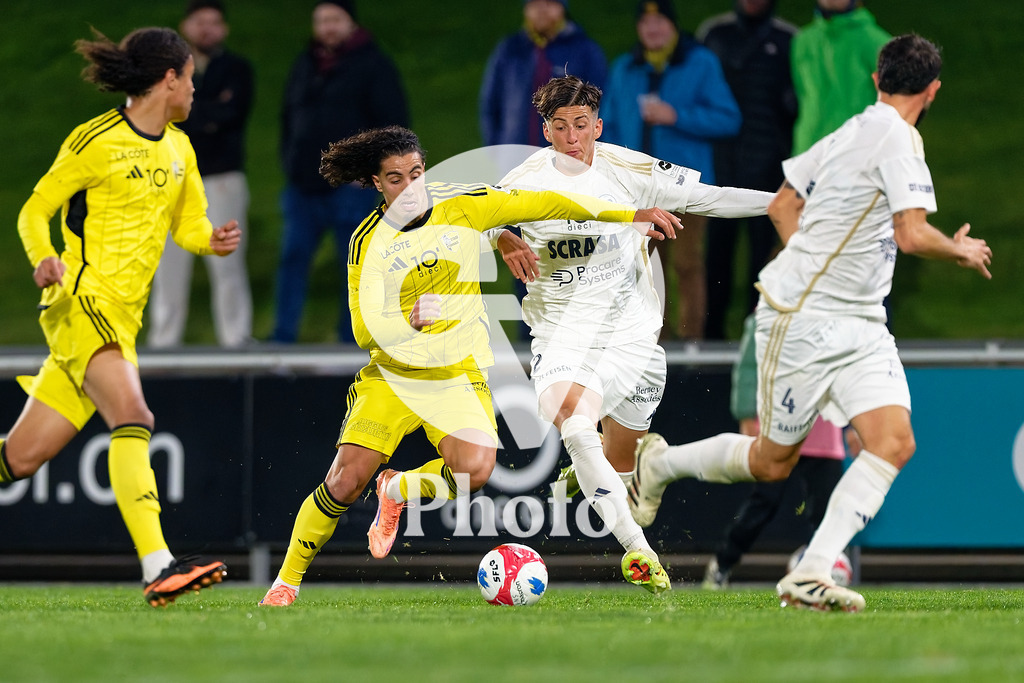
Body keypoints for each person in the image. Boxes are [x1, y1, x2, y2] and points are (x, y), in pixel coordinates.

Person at [631, 35, 994, 612]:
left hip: (862, 321)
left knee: (893, 442)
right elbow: (910, 233)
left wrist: (816, 259)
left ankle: (812, 571)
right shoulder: (899, 140)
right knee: (771, 460)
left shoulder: (849, 130)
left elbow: (783, 205)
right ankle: (658, 464)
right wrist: (959, 249)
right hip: (804, 320)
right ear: (933, 90)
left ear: (876, 79)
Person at [259, 125, 681, 606]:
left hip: (456, 375)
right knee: (344, 482)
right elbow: (361, 329)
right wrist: (406, 322)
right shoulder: (367, 242)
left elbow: (547, 203)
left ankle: (397, 488)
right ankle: (285, 583)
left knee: (475, 471)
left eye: (416, 173)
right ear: (377, 183)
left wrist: (629, 214)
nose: (410, 186)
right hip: (394, 377)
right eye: (395, 178)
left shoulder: (463, 205)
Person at [489, 75, 773, 596]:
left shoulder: (629, 169)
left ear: (598, 126)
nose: (572, 137)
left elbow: (710, 198)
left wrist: (784, 203)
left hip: (633, 339)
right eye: (560, 126)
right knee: (575, 422)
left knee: (619, 470)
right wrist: (505, 236)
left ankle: (624, 466)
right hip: (561, 335)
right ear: (545, 131)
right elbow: (471, 216)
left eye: (581, 125)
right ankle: (640, 552)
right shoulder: (523, 181)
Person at [5, 26, 239, 607]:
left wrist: (211, 240)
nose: (194, 90)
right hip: (82, 303)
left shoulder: (180, 149)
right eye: (190, 79)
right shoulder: (96, 141)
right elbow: (34, 210)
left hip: (122, 321)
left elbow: (187, 223)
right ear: (169, 79)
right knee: (134, 415)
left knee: (20, 459)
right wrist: (43, 258)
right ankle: (159, 566)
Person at [601, 0, 741, 340]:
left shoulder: (700, 62)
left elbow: (728, 119)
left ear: (673, 26)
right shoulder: (625, 68)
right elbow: (609, 125)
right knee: (645, 266)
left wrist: (676, 116)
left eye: (660, 21)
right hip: (639, 189)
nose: (653, 29)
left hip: (686, 186)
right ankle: (652, 343)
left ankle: (691, 345)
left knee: (687, 263)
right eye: (646, 22)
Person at [271, 0, 409, 343]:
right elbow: (288, 118)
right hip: (303, 186)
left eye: (334, 19)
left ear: (350, 23)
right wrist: (290, 163)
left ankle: (352, 341)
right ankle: (282, 339)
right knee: (292, 259)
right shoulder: (305, 63)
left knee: (354, 266)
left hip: (350, 188)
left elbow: (393, 126)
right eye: (321, 20)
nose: (327, 27)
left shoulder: (374, 65)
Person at [701, 312, 851, 589]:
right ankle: (722, 564)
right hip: (779, 427)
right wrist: (747, 413)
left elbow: (848, 371)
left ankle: (820, 574)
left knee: (829, 511)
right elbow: (749, 367)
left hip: (823, 428)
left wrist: (854, 423)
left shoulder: (836, 313)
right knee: (764, 502)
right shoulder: (769, 312)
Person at [148, 0, 255, 348]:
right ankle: (164, 343)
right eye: (199, 22)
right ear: (186, 26)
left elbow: (231, 114)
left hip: (222, 178)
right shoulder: (166, 72)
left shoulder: (238, 68)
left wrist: (191, 113)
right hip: (172, 178)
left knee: (227, 262)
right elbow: (160, 115)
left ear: (224, 28)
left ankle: (236, 340)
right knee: (168, 266)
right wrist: (210, 113)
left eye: (213, 22)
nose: (206, 29)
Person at [696, 0, 798, 340]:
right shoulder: (714, 34)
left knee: (764, 262)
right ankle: (710, 342)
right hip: (720, 171)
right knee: (716, 259)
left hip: (769, 171)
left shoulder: (789, 40)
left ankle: (758, 340)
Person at [480, 0, 606, 148]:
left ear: (562, 7)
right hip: (515, 153)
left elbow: (601, 105)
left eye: (549, 3)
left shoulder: (584, 51)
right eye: (535, 3)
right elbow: (490, 104)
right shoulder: (510, 50)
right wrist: (497, 148)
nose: (542, 9)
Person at [791, 0, 890, 154]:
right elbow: (801, 94)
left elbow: (894, 106)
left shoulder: (877, 43)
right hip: (807, 151)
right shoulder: (802, 41)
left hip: (855, 154)